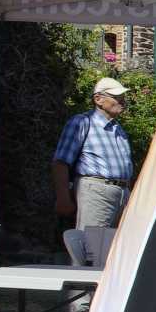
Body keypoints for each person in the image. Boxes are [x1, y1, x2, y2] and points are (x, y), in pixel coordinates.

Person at [51, 76, 136, 230]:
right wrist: (63, 198)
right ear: (98, 99)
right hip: (96, 192)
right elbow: (61, 162)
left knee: (117, 243)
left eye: (123, 97)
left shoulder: (118, 129)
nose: (123, 101)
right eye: (117, 97)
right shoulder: (82, 122)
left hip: (123, 194)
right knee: (93, 241)